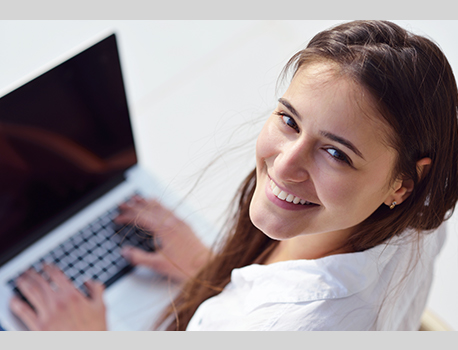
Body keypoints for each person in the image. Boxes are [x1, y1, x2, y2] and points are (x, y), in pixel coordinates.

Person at [8, 20, 458, 331]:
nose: (284, 165)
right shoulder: (420, 215)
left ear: (404, 183)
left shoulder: (266, 326)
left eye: (336, 153)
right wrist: (207, 267)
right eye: (289, 121)